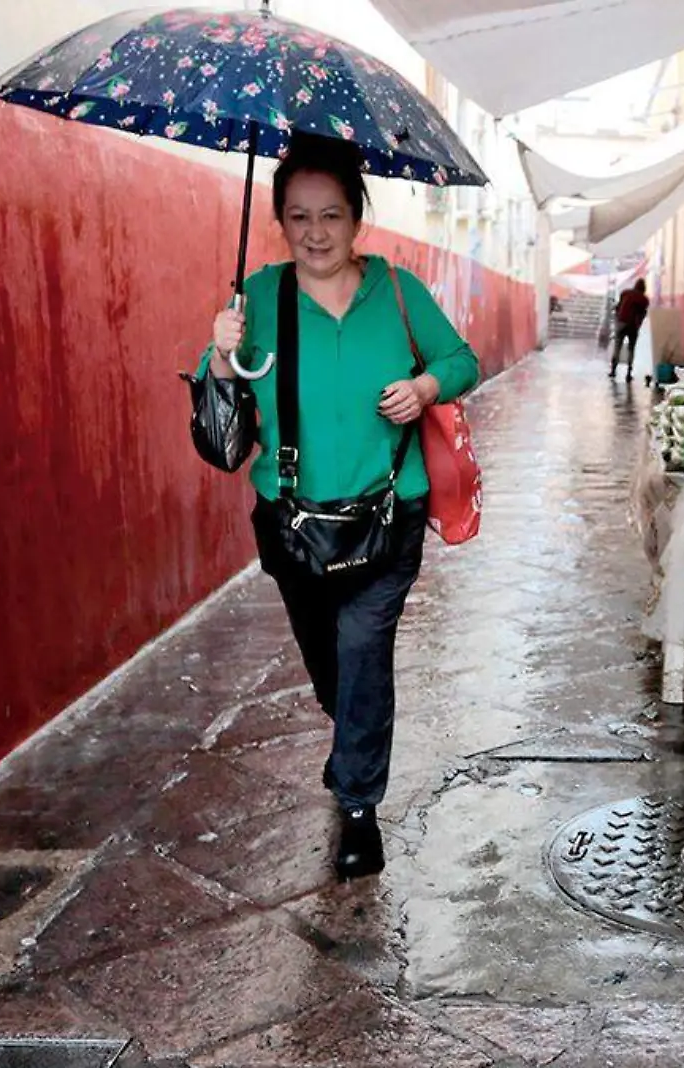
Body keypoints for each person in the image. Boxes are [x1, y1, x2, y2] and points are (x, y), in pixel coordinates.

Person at [201, 133, 480, 880]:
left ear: (357, 218)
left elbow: (462, 360)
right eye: (299, 217)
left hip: (390, 513)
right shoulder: (257, 298)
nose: (316, 233)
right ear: (281, 222)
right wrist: (219, 351)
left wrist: (425, 388)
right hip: (294, 523)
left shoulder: (397, 291)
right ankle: (350, 728)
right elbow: (219, 435)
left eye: (331, 215)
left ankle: (358, 804)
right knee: (329, 663)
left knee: (363, 651)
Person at [610, 280, 649, 381]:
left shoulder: (625, 293)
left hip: (622, 322)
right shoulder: (644, 299)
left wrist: (617, 318)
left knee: (617, 347)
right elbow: (642, 314)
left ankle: (613, 371)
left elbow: (618, 307)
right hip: (633, 325)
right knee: (631, 349)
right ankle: (628, 373)